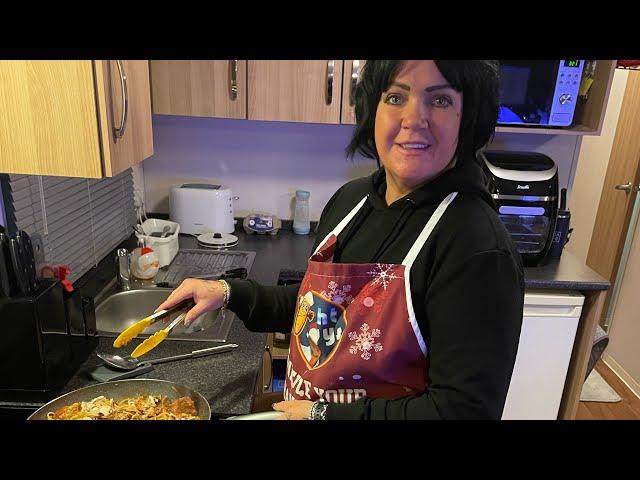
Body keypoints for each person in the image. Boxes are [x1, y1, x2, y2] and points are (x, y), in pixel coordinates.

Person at [156, 60, 525, 420]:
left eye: (440, 100)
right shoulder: (352, 201)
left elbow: (463, 411)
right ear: (373, 110)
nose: (414, 119)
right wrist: (227, 292)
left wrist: (321, 413)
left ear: (470, 116)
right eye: (396, 97)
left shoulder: (477, 247)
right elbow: (315, 310)